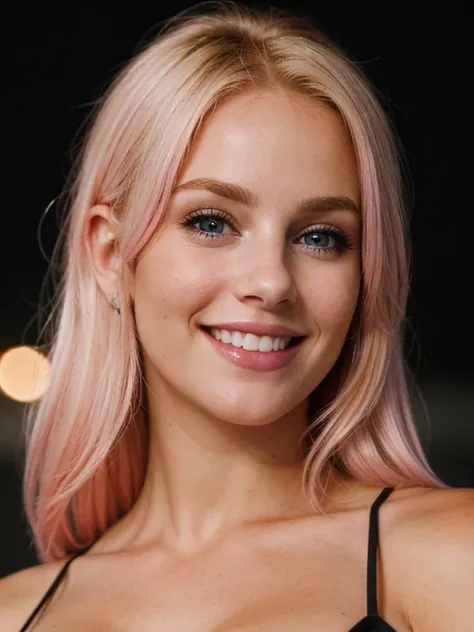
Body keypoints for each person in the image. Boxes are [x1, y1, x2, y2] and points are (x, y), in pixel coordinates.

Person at [1, 2, 473, 630]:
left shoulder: (446, 555)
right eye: (212, 223)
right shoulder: (15, 611)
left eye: (321, 237)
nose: (272, 281)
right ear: (111, 254)